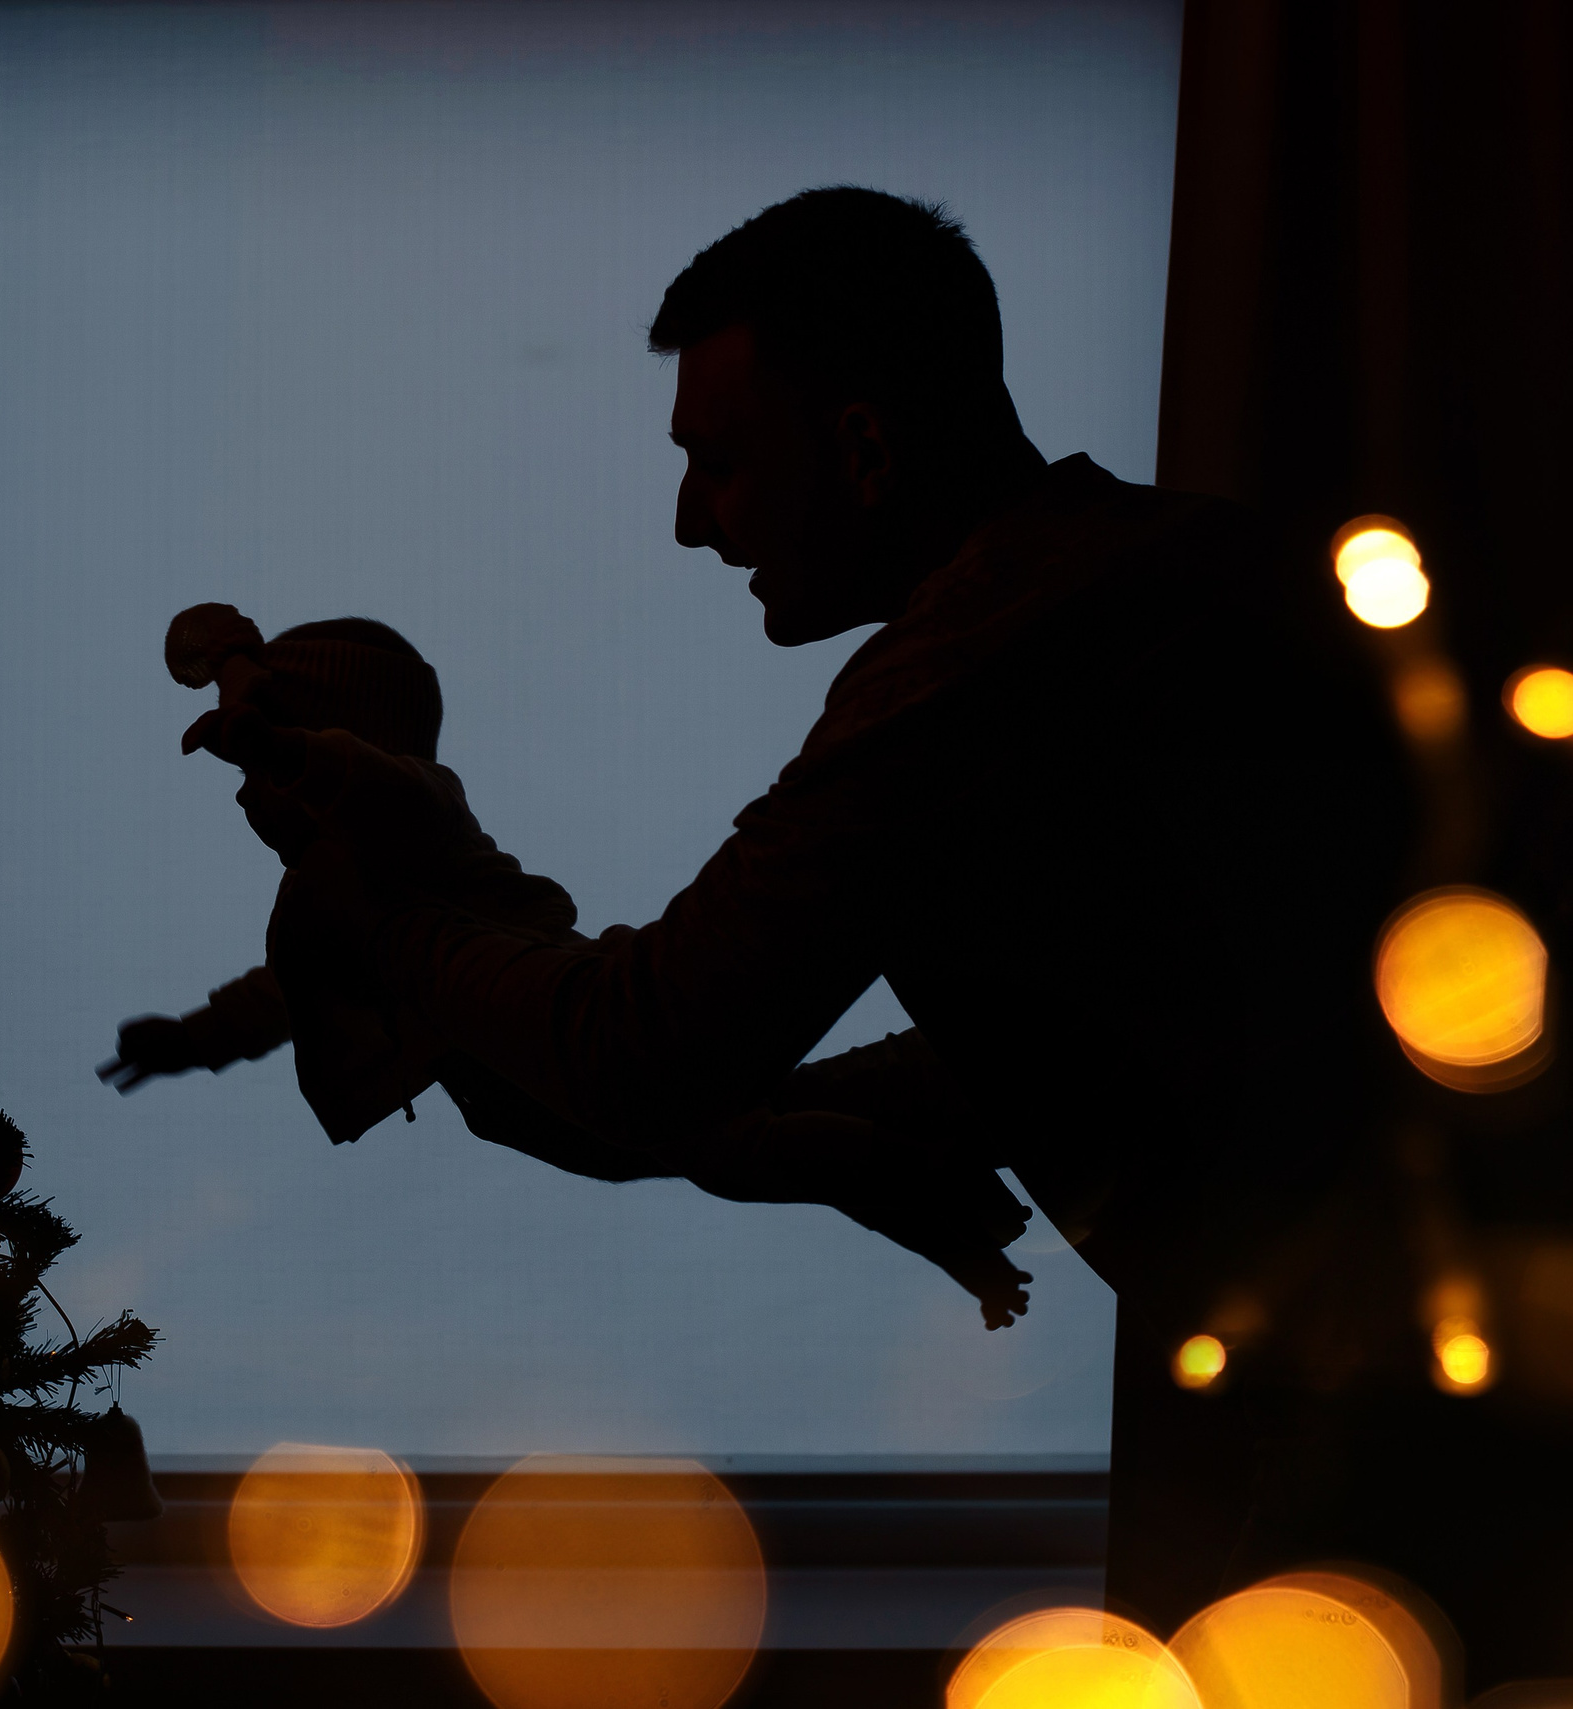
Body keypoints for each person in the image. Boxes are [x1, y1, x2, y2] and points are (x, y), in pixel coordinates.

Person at [216, 187, 1470, 1665]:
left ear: (866, 448)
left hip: (1378, 1467)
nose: (691, 524)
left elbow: (635, 1056)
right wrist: (814, 1135)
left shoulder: (958, 687)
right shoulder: (1181, 572)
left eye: (723, 465)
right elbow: (1189, 1011)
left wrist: (394, 900)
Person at [108, 601, 1038, 1327]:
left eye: (270, 764)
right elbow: (288, 994)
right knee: (764, 1123)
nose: (247, 794)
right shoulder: (337, 898)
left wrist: (286, 754)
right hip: (544, 1103)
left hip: (566, 1035)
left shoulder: (414, 818)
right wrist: (195, 1039)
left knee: (739, 1148)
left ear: (336, 745)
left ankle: (935, 1191)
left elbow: (372, 788)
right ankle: (945, 1124)